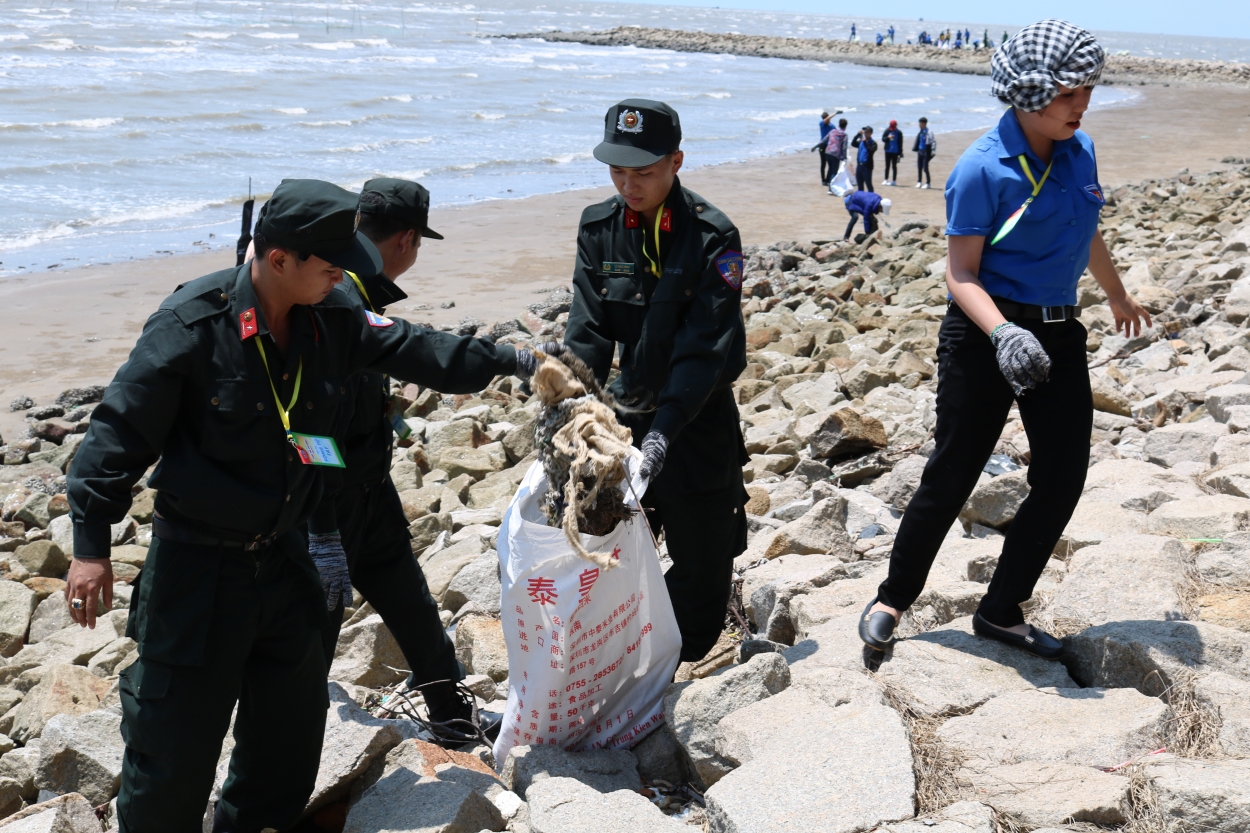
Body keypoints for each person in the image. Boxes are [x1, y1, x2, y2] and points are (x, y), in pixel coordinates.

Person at [65, 179, 543, 833]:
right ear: (279, 259)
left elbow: (415, 347)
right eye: (330, 265)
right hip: (199, 573)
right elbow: (114, 436)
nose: (343, 276)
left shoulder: (332, 313)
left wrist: (516, 360)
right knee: (171, 762)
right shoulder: (193, 326)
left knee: (286, 749)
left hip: (290, 564)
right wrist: (90, 547)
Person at [857, 20, 1153, 659]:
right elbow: (959, 274)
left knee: (1064, 473)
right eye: (1068, 93)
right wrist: (1003, 334)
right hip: (984, 333)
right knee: (954, 469)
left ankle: (1001, 609)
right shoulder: (979, 170)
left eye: (1088, 91)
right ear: (1026, 92)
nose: (1082, 105)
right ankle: (893, 597)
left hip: (1057, 331)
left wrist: (1117, 294)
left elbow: (1086, 230)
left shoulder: (1082, 151)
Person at [307, 177, 499, 746]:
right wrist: (320, 530)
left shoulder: (344, 286)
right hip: (325, 498)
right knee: (312, 627)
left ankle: (452, 713)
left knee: (409, 600)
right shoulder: (340, 298)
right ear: (408, 241)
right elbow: (305, 428)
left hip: (367, 486)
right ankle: (287, 756)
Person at [563, 99, 749, 664]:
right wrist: (574, 416)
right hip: (627, 422)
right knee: (602, 554)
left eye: (643, 172)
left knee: (703, 569)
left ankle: (677, 671)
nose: (629, 184)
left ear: (676, 162)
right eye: (617, 170)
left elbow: (704, 350)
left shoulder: (712, 236)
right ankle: (616, 669)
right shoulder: (599, 229)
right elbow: (588, 332)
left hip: (696, 422)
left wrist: (666, 433)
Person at [813, 111, 842, 185]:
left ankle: (828, 179)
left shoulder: (832, 125)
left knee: (830, 164)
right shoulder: (822, 124)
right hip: (823, 146)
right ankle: (823, 180)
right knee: (823, 163)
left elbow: (837, 134)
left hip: (830, 146)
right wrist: (835, 113)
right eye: (826, 118)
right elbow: (826, 120)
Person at [851, 125, 877, 192]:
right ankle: (861, 200)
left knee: (868, 184)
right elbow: (853, 143)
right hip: (859, 166)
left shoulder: (873, 143)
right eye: (865, 132)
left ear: (871, 133)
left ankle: (871, 199)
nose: (865, 133)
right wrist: (858, 135)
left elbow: (871, 150)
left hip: (867, 167)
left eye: (867, 132)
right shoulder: (861, 142)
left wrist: (865, 142)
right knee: (860, 185)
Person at [825, 117, 849, 186]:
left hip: (828, 152)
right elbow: (844, 147)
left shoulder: (832, 131)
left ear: (839, 125)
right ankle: (831, 188)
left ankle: (829, 184)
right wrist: (844, 158)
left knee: (830, 169)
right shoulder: (844, 135)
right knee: (834, 172)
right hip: (835, 154)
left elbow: (824, 140)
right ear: (845, 126)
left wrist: (816, 146)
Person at [914, 116, 935, 188]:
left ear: (924, 123)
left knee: (925, 168)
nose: (919, 124)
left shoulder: (929, 132)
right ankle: (919, 181)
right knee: (919, 167)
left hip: (926, 151)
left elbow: (933, 142)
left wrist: (933, 151)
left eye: (920, 123)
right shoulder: (920, 132)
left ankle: (928, 183)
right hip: (920, 151)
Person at [882, 120, 904, 185]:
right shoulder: (887, 131)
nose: (892, 129)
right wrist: (888, 137)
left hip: (895, 151)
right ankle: (886, 179)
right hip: (887, 151)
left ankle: (894, 181)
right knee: (887, 165)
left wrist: (900, 153)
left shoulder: (899, 132)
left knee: (894, 166)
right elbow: (883, 139)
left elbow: (900, 143)